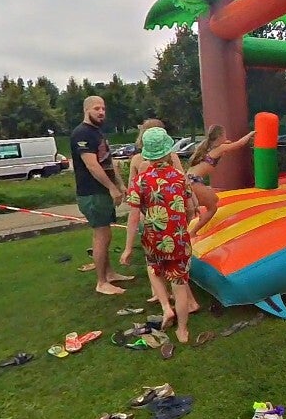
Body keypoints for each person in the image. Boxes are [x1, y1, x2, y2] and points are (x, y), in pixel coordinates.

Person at [121, 126, 198, 342]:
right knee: (179, 285)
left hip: (153, 239)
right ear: (167, 152)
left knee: (154, 270)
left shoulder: (140, 181)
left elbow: (133, 218)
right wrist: (183, 224)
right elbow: (191, 207)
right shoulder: (180, 177)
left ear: (147, 154)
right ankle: (182, 331)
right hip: (179, 239)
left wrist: (128, 248)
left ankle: (166, 307)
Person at [70, 96, 132, 295]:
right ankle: (101, 282)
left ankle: (109, 273)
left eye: (103, 108)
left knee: (106, 234)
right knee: (101, 235)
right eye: (97, 108)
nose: (101, 112)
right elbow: (92, 165)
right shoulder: (82, 133)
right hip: (92, 193)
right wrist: (111, 188)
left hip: (102, 192)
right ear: (86, 110)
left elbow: (108, 161)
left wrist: (120, 184)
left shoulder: (97, 133)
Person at [186, 125, 255, 232]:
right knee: (212, 208)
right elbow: (240, 144)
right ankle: (193, 232)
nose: (226, 137)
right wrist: (251, 133)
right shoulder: (220, 148)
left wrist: (226, 142)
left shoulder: (208, 147)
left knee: (214, 199)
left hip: (190, 179)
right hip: (194, 181)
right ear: (220, 136)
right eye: (224, 135)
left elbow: (226, 145)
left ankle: (195, 209)